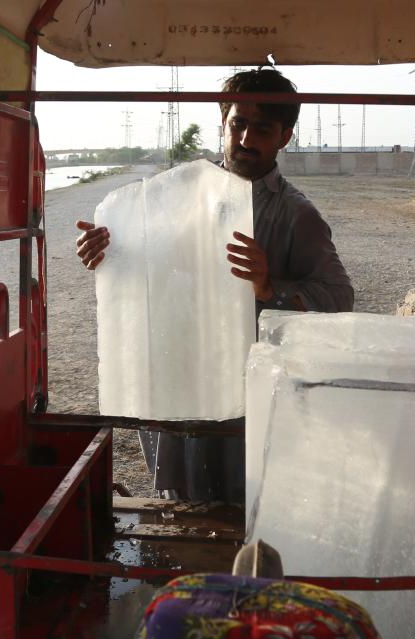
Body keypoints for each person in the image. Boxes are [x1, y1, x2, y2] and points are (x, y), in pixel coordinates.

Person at [75, 68, 353, 501]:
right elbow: (160, 266)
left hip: (253, 386)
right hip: (183, 366)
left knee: (242, 499)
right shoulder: (179, 197)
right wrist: (109, 253)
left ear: (284, 137)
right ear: (222, 123)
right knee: (180, 496)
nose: (245, 139)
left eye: (262, 128)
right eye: (237, 124)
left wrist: (268, 287)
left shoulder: (297, 216)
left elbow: (338, 297)